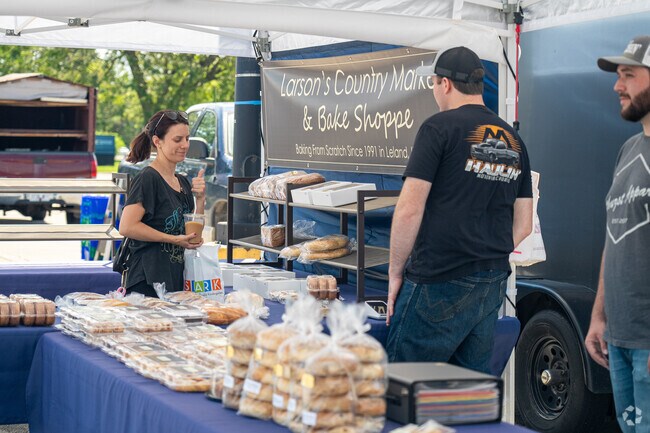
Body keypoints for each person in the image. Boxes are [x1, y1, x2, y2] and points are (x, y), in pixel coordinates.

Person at [385, 46, 533, 374]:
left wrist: (395, 274)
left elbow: (409, 210)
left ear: (446, 84)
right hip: (491, 279)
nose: (435, 91)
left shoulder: (438, 128)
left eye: (434, 84)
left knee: (403, 386)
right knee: (463, 396)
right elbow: (523, 225)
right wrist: (485, 251)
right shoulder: (514, 140)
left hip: (439, 278)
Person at [586, 35, 650, 433]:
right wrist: (598, 315)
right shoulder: (629, 149)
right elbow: (616, 234)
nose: (617, 86)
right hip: (621, 337)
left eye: (628, 75)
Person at [118, 109, 206, 297]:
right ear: (157, 142)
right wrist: (173, 239)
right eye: (177, 140)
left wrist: (200, 199)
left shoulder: (181, 181)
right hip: (147, 281)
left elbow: (192, 231)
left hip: (175, 278)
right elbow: (126, 227)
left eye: (187, 139)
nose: (184, 145)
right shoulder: (148, 178)